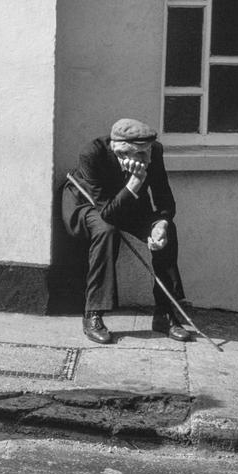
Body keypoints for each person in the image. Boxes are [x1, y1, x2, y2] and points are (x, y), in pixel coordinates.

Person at [61, 117, 190, 344]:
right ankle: (93, 313)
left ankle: (164, 313)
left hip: (127, 202)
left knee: (168, 233)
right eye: (140, 155)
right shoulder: (92, 153)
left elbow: (164, 199)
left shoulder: (153, 152)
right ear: (121, 153)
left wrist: (161, 224)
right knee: (107, 230)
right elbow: (108, 213)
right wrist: (135, 181)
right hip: (87, 201)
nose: (147, 159)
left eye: (148, 152)